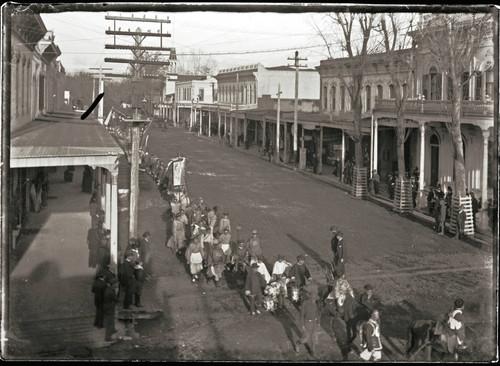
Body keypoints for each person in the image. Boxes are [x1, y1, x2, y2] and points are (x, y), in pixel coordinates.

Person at [294, 287, 319, 357]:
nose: (314, 300)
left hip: (314, 322)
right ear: (310, 297)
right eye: (313, 298)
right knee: (305, 338)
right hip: (307, 322)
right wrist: (302, 325)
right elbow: (302, 315)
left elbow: (316, 312)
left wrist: (318, 322)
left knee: (315, 338)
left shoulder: (315, 303)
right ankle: (298, 343)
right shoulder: (305, 304)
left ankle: (313, 351)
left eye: (315, 298)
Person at [103, 277, 120, 342]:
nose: (118, 284)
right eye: (117, 283)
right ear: (114, 284)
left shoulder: (109, 289)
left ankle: (112, 331)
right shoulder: (111, 291)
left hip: (107, 307)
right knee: (110, 323)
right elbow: (116, 299)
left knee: (110, 321)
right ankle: (107, 338)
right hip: (109, 308)